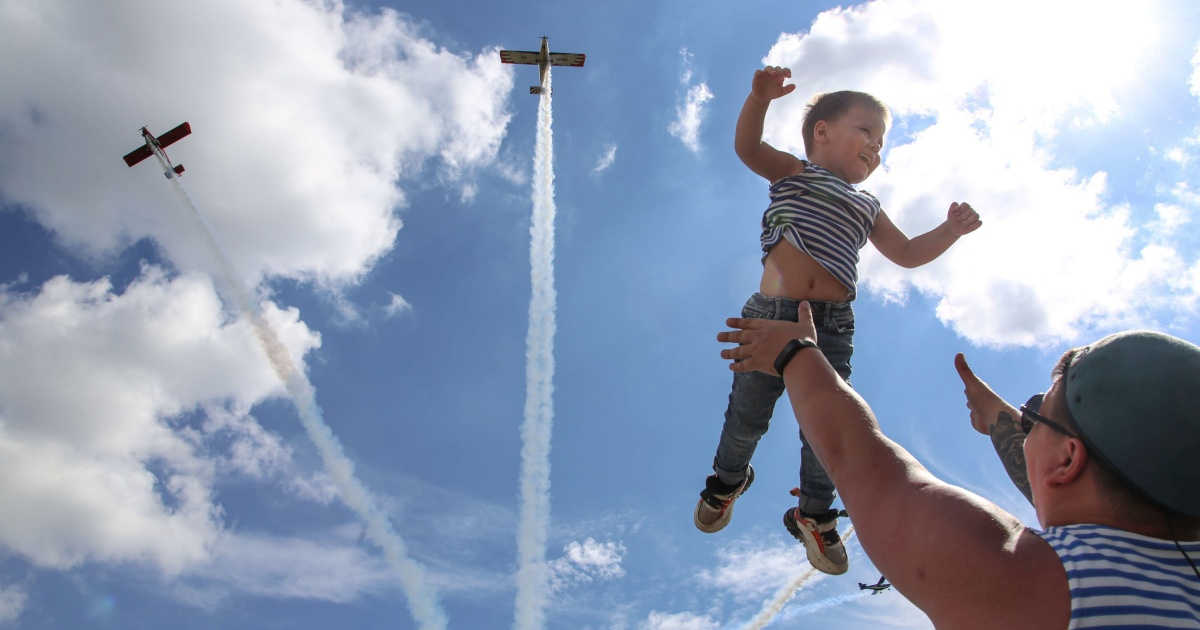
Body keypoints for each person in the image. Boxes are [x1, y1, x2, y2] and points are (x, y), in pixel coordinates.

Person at [717, 309, 1200, 628]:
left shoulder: (1029, 580)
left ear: (1069, 459)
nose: (1022, 420)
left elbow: (858, 454)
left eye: (1035, 412)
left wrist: (796, 351)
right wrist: (999, 421)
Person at [695, 65, 982, 576]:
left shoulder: (868, 205)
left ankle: (815, 513)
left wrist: (950, 230)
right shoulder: (794, 173)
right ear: (822, 133)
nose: (876, 146)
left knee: (829, 424)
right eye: (867, 131)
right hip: (772, 313)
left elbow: (910, 253)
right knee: (748, 414)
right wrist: (758, 98)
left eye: (882, 141)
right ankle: (726, 480)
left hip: (830, 325)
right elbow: (747, 148)